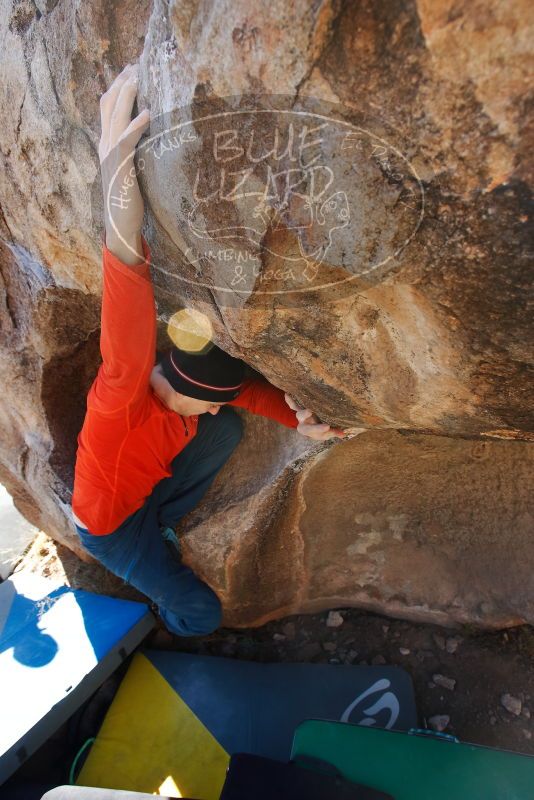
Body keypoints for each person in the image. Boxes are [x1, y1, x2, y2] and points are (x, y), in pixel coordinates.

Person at [71, 63, 348, 637]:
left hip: (141, 497)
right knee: (200, 614)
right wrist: (114, 171)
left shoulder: (181, 388)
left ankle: (164, 521)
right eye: (210, 399)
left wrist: (302, 421)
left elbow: (237, 391)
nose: (218, 403)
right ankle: (155, 605)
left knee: (222, 431)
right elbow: (124, 266)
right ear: (182, 389)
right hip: (111, 530)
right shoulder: (119, 395)